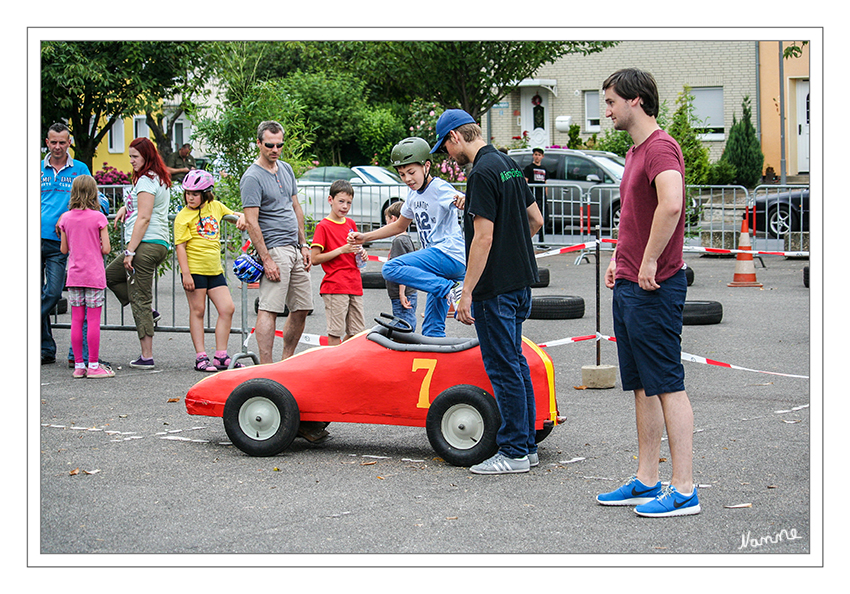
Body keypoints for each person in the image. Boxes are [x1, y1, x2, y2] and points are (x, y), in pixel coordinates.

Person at [596, 68, 699, 517]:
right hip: (631, 283)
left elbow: (672, 202)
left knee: (667, 385)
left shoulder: (660, 146)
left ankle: (685, 489)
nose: (607, 110)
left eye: (611, 102)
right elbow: (636, 215)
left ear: (636, 100)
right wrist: (620, 259)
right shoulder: (636, 150)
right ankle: (647, 479)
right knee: (641, 386)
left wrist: (651, 259)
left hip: (655, 285)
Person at [432, 109, 544, 475]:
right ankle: (525, 447)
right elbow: (536, 220)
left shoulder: (480, 171)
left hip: (494, 289)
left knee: (502, 366)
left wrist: (466, 293)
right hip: (519, 283)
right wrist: (512, 251)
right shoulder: (508, 163)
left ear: (455, 138)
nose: (449, 156)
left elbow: (483, 237)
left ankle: (512, 452)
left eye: (446, 148)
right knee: (516, 363)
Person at [240, 121, 324, 442]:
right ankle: (266, 367)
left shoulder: (285, 169)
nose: (275, 150)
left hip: (294, 246)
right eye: (269, 145)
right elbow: (251, 220)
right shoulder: (252, 176)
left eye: (279, 145)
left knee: (302, 307)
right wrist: (266, 259)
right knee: (271, 308)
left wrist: (305, 243)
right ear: (259, 143)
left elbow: (295, 207)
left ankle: (287, 362)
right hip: (273, 247)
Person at [348, 136, 465, 338]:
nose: (408, 179)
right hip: (439, 265)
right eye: (402, 174)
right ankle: (438, 359)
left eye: (412, 172)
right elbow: (399, 225)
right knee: (432, 329)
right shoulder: (411, 195)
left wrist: (463, 198)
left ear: (426, 166)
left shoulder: (439, 188)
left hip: (448, 254)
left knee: (391, 268)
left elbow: (460, 198)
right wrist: (364, 237)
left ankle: (449, 289)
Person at [105, 137, 171, 369]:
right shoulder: (156, 178)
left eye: (135, 156)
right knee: (110, 276)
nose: (131, 160)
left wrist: (129, 251)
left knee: (140, 299)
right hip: (156, 242)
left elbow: (144, 217)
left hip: (145, 244)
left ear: (147, 156)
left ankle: (147, 356)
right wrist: (125, 207)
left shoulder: (145, 180)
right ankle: (147, 313)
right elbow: (142, 207)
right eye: (130, 156)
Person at [173, 169, 246, 371]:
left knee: (227, 308)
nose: (190, 197)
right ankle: (200, 356)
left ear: (206, 194)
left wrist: (241, 218)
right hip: (194, 270)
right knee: (198, 311)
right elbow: (180, 247)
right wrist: (186, 273)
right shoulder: (182, 217)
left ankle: (221, 355)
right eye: (187, 193)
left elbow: (235, 214)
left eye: (195, 194)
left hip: (214, 270)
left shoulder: (215, 207)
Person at [41, 123, 92, 365]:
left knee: (52, 293)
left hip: (59, 243)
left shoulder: (80, 169)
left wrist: (71, 215)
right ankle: (45, 349)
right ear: (47, 142)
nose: (58, 147)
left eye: (63, 142)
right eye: (54, 142)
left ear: (69, 142)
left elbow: (94, 198)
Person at [57, 175, 113, 378]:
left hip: (74, 275)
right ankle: (94, 365)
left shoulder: (65, 218)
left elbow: (64, 249)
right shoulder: (99, 218)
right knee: (93, 321)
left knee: (76, 320)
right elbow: (106, 248)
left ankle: (79, 365)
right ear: (93, 193)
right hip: (94, 275)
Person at [310, 180, 368, 346]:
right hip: (335, 285)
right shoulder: (323, 226)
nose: (345, 206)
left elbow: (355, 251)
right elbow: (314, 258)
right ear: (330, 200)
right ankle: (334, 366)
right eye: (341, 201)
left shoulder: (350, 224)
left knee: (358, 333)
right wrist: (342, 250)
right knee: (335, 332)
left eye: (348, 203)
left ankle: (347, 363)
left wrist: (362, 254)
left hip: (354, 283)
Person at [383, 200, 418, 330]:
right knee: (405, 320)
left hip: (403, 293)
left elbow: (401, 270)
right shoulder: (407, 239)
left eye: (386, 220)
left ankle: (405, 348)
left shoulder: (399, 241)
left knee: (403, 326)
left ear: (393, 219)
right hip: (408, 291)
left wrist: (401, 294)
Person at [522, 147, 547, 243]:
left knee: (543, 219)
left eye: (539, 155)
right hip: (533, 197)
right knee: (533, 219)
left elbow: (545, 183)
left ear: (542, 157)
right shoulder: (529, 168)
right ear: (533, 155)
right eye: (535, 154)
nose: (537, 157)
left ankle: (542, 241)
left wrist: (546, 195)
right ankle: (527, 241)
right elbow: (526, 182)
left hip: (542, 196)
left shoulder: (544, 168)